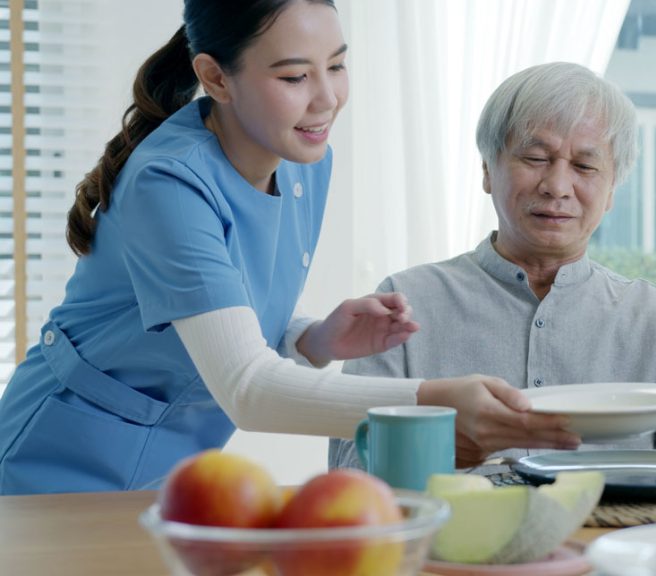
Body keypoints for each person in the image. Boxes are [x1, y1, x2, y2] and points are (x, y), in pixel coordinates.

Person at [0, 0, 577, 496]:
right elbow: (249, 390)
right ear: (217, 77)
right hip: (56, 465)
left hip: (172, 468)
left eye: (337, 65)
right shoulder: (169, 184)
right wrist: (432, 403)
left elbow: (211, 317)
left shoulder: (305, 164)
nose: (327, 99)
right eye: (295, 77)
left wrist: (312, 337)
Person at [329, 62, 656, 473]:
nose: (557, 186)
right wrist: (432, 448)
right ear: (488, 170)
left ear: (612, 191)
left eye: (585, 166)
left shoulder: (653, 318)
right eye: (535, 158)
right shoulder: (407, 303)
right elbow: (349, 470)